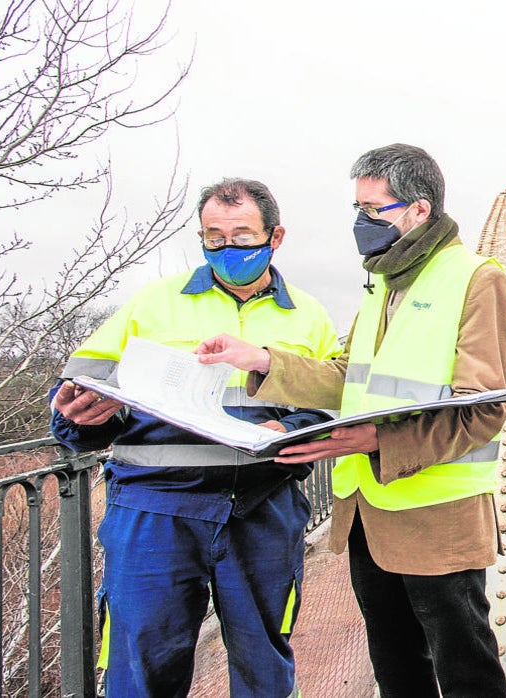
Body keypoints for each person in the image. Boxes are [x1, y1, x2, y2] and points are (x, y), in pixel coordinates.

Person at [196, 144, 506, 697]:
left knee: (464, 667)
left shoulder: (475, 278)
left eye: (374, 210)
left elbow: (483, 408)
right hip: (367, 509)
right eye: (357, 209)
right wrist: (262, 360)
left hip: (437, 514)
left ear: (419, 210)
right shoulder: (383, 281)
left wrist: (373, 438)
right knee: (395, 665)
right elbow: (353, 375)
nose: (360, 223)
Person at [49, 178, 341, 697]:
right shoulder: (152, 303)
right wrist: (79, 417)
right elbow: (81, 397)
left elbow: (331, 404)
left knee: (263, 667)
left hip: (263, 507)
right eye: (214, 236)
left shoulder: (312, 316)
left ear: (275, 238)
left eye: (242, 235)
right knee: (142, 666)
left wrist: (290, 428)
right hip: (154, 510)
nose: (228, 248)